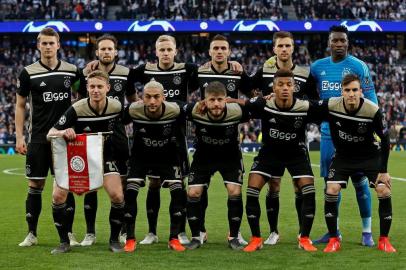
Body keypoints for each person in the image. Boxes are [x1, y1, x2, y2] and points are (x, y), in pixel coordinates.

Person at [230, 69, 317, 252]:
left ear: (294, 87)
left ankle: (305, 238)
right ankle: (256, 239)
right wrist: (228, 100)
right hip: (270, 153)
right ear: (274, 87)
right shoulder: (263, 103)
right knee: (252, 189)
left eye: (288, 84)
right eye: (280, 84)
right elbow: (244, 103)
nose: (285, 88)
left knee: (309, 191)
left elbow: (328, 110)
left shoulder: (305, 106)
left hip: (296, 154)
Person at [311, 25, 378, 246]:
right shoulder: (317, 68)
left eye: (342, 41)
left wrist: (371, 133)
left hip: (357, 137)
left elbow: (372, 102)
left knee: (360, 183)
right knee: (331, 184)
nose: (339, 44)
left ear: (347, 42)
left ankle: (367, 232)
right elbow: (312, 102)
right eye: (335, 40)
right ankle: (334, 232)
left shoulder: (359, 67)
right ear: (329, 42)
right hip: (329, 135)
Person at [251, 31, 318, 245]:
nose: (284, 49)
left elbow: (314, 102)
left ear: (292, 48)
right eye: (280, 46)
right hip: (271, 139)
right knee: (274, 186)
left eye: (288, 46)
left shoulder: (305, 74)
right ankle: (273, 231)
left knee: (300, 187)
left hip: (296, 139)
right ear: (274, 49)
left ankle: (302, 232)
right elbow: (249, 91)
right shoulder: (264, 71)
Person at [47, 70, 125, 254]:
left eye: (99, 86)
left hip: (105, 157)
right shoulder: (77, 108)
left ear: (108, 87)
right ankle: (63, 242)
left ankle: (114, 240)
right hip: (79, 158)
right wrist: (64, 132)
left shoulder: (116, 107)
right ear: (87, 88)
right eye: (91, 86)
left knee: (118, 196)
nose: (95, 90)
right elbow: (50, 133)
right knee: (58, 196)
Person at [316, 74, 395, 253]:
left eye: (354, 90)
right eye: (347, 90)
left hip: (369, 156)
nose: (351, 94)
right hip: (343, 156)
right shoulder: (331, 104)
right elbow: (309, 107)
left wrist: (383, 171)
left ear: (361, 91)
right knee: (331, 188)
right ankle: (334, 239)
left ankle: (384, 240)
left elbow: (385, 139)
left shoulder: (372, 110)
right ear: (341, 91)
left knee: (383, 188)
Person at [16, 27, 80, 247]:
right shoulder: (28, 72)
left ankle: (69, 233)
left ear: (58, 45)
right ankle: (31, 234)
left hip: (65, 139)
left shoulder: (72, 71)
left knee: (65, 185)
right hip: (38, 139)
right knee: (35, 184)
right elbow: (20, 105)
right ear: (38, 45)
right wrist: (19, 136)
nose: (48, 47)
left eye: (51, 43)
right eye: (44, 43)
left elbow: (84, 95)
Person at [77, 34, 136, 246]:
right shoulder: (87, 74)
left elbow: (133, 102)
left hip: (117, 136)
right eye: (103, 49)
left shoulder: (125, 74)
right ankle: (90, 233)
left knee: (121, 184)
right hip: (90, 135)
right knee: (91, 185)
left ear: (116, 52)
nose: (106, 52)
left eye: (110, 49)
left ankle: (120, 231)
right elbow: (77, 96)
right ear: (97, 52)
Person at [196, 34, 252, 245]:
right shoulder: (199, 72)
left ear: (229, 51)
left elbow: (254, 99)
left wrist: (233, 101)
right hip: (204, 140)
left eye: (223, 48)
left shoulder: (238, 73)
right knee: (198, 189)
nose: (219, 51)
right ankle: (199, 231)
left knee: (234, 190)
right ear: (210, 52)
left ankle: (234, 233)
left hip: (230, 141)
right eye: (215, 48)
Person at [122, 80, 188, 252]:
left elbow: (196, 110)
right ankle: (130, 238)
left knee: (178, 192)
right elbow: (115, 121)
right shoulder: (133, 109)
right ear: (141, 98)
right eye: (148, 97)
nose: (152, 101)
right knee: (130, 192)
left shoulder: (175, 109)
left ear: (163, 98)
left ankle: (174, 238)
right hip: (140, 155)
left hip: (168, 156)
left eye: (156, 97)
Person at [184, 81, 248, 250]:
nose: (216, 104)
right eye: (212, 100)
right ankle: (196, 237)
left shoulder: (237, 112)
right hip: (204, 157)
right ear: (204, 101)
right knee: (193, 192)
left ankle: (234, 236)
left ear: (226, 99)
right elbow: (176, 106)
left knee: (234, 191)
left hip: (230, 157)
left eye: (220, 99)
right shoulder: (195, 111)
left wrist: (239, 101)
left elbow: (258, 106)